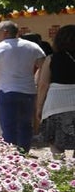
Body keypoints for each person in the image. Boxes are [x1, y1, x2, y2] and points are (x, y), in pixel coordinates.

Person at [0, 21, 45, 151]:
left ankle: (11, 158)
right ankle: (24, 154)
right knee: (25, 126)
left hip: (7, 90)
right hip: (28, 90)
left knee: (8, 127)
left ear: (5, 32)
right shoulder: (33, 46)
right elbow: (44, 67)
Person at [36, 24, 75, 158]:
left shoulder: (51, 59)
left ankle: (60, 171)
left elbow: (43, 84)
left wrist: (39, 107)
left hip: (56, 103)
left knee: (56, 143)